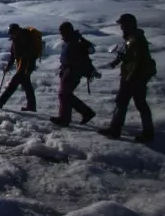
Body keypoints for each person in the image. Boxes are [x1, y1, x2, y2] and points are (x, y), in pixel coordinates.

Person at [99, 13, 156, 142]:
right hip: (130, 77)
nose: (121, 27)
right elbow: (129, 56)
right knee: (122, 102)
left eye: (122, 24)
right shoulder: (132, 38)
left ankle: (147, 133)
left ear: (129, 25)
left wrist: (130, 77)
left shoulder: (136, 41)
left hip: (135, 78)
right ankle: (115, 129)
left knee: (138, 104)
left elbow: (136, 61)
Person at [50, 22, 96, 127]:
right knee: (66, 94)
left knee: (64, 94)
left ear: (67, 31)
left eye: (62, 32)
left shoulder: (77, 41)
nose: (61, 34)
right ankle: (85, 113)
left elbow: (89, 51)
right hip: (67, 70)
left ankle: (66, 118)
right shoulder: (69, 40)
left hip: (74, 71)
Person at [0, 23, 40, 112]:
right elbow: (13, 55)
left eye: (12, 32)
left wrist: (29, 66)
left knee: (13, 83)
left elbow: (30, 54)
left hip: (26, 64)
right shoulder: (15, 39)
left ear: (16, 30)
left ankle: (1, 101)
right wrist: (8, 66)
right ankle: (31, 106)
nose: (11, 34)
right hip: (22, 64)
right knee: (27, 85)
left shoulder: (25, 37)